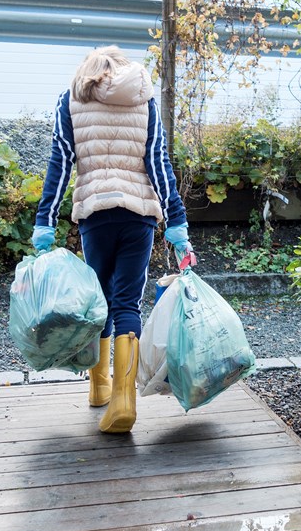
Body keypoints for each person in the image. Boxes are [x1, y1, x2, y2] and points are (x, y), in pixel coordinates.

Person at [31, 46, 195, 434]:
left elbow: (61, 161)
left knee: (99, 298)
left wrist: (45, 221)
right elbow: (158, 160)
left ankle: (99, 387)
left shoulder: (70, 102)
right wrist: (176, 220)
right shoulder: (145, 101)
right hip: (138, 216)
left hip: (95, 215)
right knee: (126, 301)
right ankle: (124, 398)